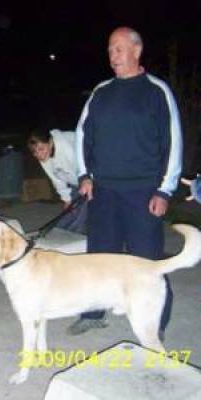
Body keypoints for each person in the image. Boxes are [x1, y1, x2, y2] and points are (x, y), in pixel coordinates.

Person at [70, 27, 182, 337]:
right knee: (99, 256)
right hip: (103, 189)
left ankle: (155, 322)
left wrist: (165, 189)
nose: (112, 55)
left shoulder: (156, 90)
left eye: (118, 49)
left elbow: (173, 142)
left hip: (143, 191)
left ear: (136, 51)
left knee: (146, 261)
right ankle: (93, 313)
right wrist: (84, 176)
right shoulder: (101, 91)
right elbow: (82, 136)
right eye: (109, 49)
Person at [27, 129, 87, 234]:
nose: (39, 155)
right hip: (76, 180)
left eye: (41, 149)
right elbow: (56, 178)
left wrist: (86, 184)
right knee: (69, 211)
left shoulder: (65, 147)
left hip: (93, 175)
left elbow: (83, 169)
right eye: (34, 151)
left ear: (50, 142)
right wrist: (66, 199)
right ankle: (52, 235)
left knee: (81, 212)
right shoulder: (44, 156)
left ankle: (70, 240)